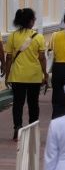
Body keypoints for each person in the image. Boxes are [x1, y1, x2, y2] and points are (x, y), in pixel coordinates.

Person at [5, 8, 48, 139]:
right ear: (30, 21)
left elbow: (9, 57)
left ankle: (17, 127)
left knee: (18, 103)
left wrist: (7, 75)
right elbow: (41, 58)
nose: (34, 21)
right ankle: (32, 128)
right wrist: (45, 74)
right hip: (34, 76)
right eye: (34, 19)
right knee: (33, 103)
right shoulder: (39, 37)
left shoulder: (12, 36)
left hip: (17, 76)